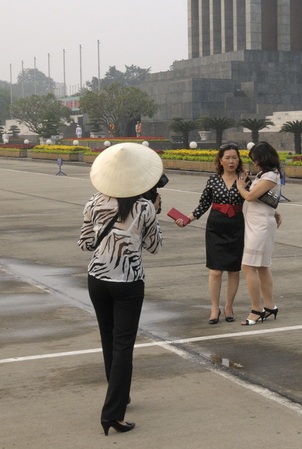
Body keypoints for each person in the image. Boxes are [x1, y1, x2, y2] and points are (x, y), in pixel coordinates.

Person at [78, 143, 164, 436]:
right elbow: (154, 247)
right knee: (123, 344)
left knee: (108, 338)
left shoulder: (93, 202)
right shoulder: (144, 208)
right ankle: (113, 413)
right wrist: (155, 214)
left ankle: (119, 395)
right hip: (128, 283)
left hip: (97, 279)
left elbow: (85, 243)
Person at [174, 144, 246, 324]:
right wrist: (188, 219)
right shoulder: (213, 180)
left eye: (234, 157)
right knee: (215, 271)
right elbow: (204, 204)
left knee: (234, 270)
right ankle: (215, 308)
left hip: (236, 227)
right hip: (216, 227)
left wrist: (273, 213)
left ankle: (228, 306)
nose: (231, 161)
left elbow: (255, 199)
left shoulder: (245, 179)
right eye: (227, 158)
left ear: (239, 160)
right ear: (220, 161)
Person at [235, 141, 283, 325]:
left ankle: (257, 309)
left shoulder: (271, 175)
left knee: (248, 266)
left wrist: (240, 186)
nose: (253, 163)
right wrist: (275, 211)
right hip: (257, 222)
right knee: (262, 266)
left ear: (263, 158)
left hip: (261, 226)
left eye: (255, 159)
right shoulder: (265, 175)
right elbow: (266, 199)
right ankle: (270, 306)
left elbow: (250, 196)